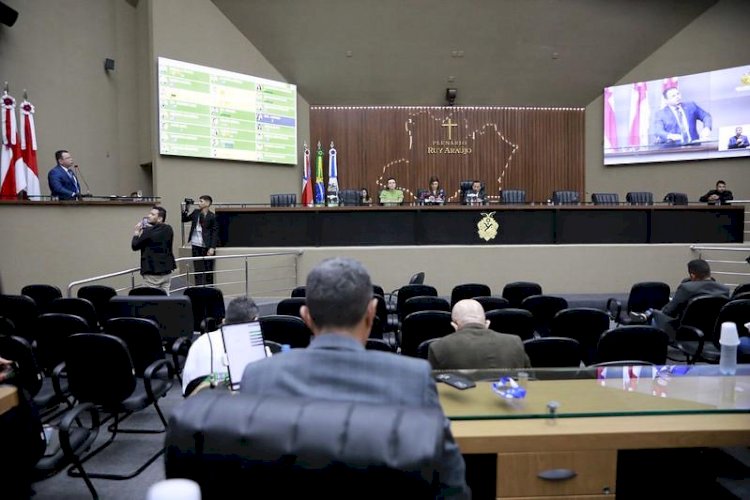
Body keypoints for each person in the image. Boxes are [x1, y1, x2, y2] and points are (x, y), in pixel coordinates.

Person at [240, 257, 469, 498]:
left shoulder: (258, 377)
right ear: (371, 313)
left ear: (306, 317)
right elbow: (451, 487)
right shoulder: (414, 380)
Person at [182, 296, 259, 396]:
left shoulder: (200, 341)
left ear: (224, 321)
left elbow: (187, 389)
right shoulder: (256, 350)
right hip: (237, 407)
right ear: (255, 321)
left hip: (195, 406)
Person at [634, 259, 730, 340]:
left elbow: (668, 311)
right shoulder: (724, 289)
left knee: (655, 315)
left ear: (692, 275)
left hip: (684, 331)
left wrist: (656, 312)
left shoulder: (687, 288)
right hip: (711, 332)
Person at [428, 299, 531, 370]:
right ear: (487, 323)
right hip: (507, 400)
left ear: (454, 326)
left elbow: (434, 389)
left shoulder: (438, 347)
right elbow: (530, 380)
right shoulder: (515, 342)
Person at [131, 205, 176, 294]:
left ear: (160, 218)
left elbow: (135, 246)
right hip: (166, 270)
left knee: (150, 299)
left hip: (152, 273)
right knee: (165, 298)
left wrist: (136, 233)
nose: (149, 216)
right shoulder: (169, 229)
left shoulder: (148, 231)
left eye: (152, 214)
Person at [181, 195, 219, 286]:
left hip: (206, 245)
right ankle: (198, 287)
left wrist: (212, 247)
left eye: (201, 201)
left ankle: (209, 289)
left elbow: (215, 232)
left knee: (208, 269)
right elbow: (184, 219)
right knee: (197, 268)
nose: (199, 203)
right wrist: (187, 208)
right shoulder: (196, 212)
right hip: (195, 245)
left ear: (207, 203)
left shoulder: (212, 216)